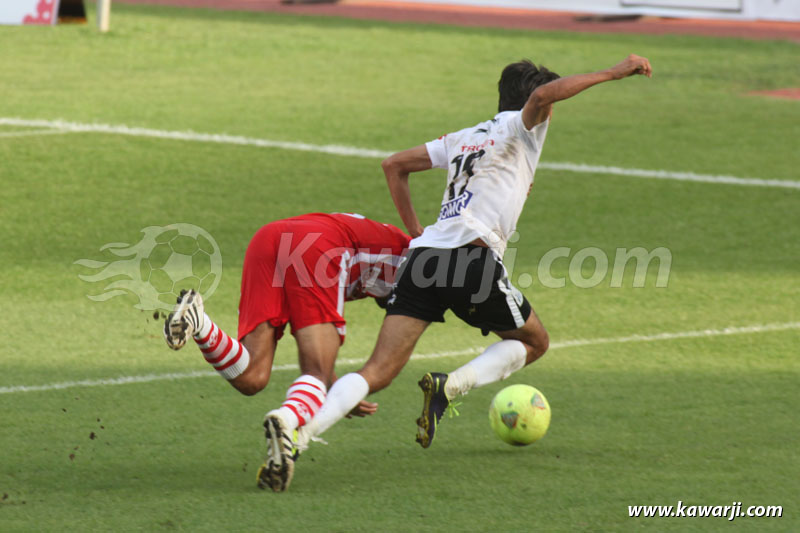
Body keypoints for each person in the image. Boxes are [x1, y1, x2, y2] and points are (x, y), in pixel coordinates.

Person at [298, 55, 653, 454]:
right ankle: (451, 386)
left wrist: (416, 230)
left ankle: (300, 435)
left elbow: (393, 165)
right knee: (534, 342)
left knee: (376, 371)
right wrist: (612, 73)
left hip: (424, 259)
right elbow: (540, 97)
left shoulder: (465, 137)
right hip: (471, 259)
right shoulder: (523, 127)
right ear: (533, 106)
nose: (550, 111)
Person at [162, 212, 410, 492]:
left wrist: (341, 391)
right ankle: (287, 419)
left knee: (252, 377)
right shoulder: (416, 258)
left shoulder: (382, 254)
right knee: (315, 370)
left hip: (269, 238)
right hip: (318, 245)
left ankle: (200, 321)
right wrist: (338, 388)